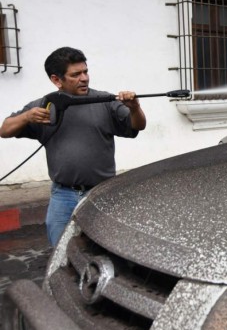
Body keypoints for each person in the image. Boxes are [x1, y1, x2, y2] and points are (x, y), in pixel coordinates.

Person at [0, 47, 146, 246]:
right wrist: (27, 117)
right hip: (62, 195)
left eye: (85, 71)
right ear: (56, 80)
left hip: (100, 192)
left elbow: (138, 125)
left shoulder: (104, 101)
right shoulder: (44, 106)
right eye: (75, 74)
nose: (84, 78)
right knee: (60, 251)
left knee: (106, 249)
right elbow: (5, 130)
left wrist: (135, 108)